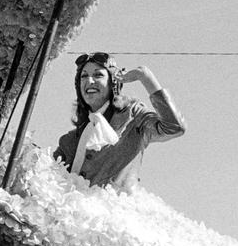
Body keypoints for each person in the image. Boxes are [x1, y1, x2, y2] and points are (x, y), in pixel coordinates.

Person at [53, 52, 185, 188]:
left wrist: (145, 77)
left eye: (98, 75)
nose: (89, 81)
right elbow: (47, 178)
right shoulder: (70, 141)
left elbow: (174, 127)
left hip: (118, 206)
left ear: (113, 83)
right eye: (84, 76)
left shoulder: (133, 117)